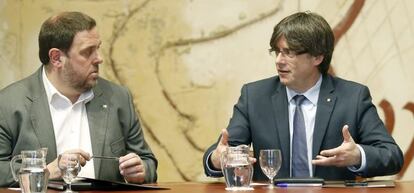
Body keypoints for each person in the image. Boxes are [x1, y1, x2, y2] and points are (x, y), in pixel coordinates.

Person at [203, 11, 404, 181]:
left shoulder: (353, 97)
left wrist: (357, 156)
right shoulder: (255, 96)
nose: (279, 61)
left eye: (289, 53)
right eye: (277, 52)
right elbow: (222, 150)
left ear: (317, 57)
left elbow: (392, 156)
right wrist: (217, 159)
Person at [0, 11, 157, 187]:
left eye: (97, 48)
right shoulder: (9, 103)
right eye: (88, 52)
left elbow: (148, 163)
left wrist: (140, 170)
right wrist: (47, 171)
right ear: (57, 58)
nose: (99, 58)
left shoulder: (118, 98)